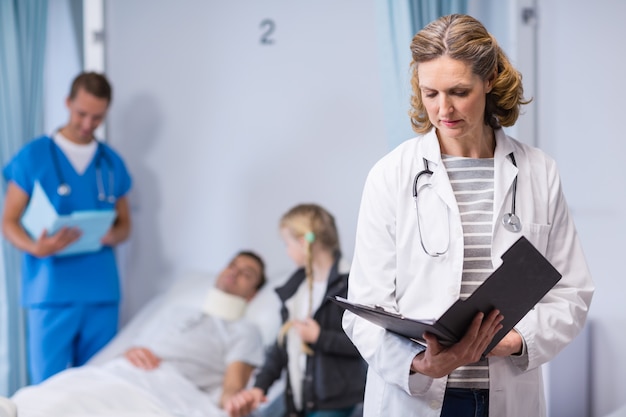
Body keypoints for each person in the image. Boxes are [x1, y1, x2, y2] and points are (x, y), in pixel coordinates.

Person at [342, 14, 594, 417]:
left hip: (505, 395)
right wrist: (421, 364)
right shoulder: (391, 175)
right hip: (417, 396)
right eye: (431, 93)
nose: (444, 109)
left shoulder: (538, 172)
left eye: (459, 91)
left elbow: (572, 292)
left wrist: (513, 340)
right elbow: (365, 309)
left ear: (490, 80)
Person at [10, 250, 268, 417]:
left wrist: (234, 403)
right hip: (122, 372)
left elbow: (232, 388)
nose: (234, 272)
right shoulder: (175, 311)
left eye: (247, 274)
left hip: (169, 386)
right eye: (232, 265)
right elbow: (134, 346)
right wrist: (131, 351)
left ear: (253, 293)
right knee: (52, 394)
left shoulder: (244, 331)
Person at [1, 72, 133, 383]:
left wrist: (113, 234)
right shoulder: (34, 156)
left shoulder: (111, 162)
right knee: (47, 388)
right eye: (81, 114)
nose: (88, 124)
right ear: (67, 103)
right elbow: (8, 221)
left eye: (97, 117)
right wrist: (35, 247)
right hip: (50, 290)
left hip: (100, 291)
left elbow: (125, 224)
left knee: (97, 386)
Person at [226, 203, 366, 417]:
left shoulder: (351, 284)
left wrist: (319, 337)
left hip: (336, 402)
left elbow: (365, 345)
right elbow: (282, 346)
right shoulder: (295, 290)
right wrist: (259, 387)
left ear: (302, 243)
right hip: (299, 399)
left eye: (286, 244)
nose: (287, 250)